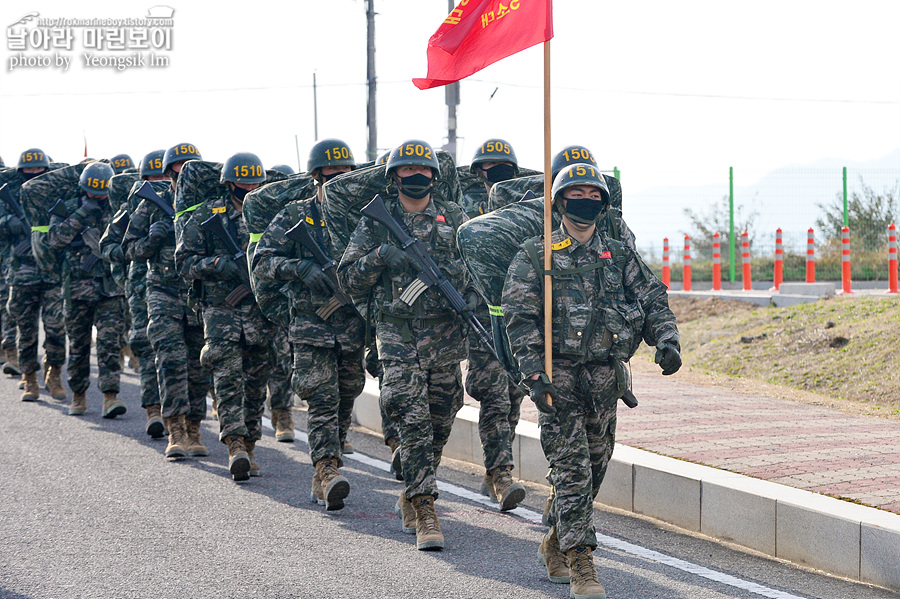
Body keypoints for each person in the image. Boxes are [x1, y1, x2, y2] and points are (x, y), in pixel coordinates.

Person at [502, 163, 681, 598]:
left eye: (593, 193)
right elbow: (519, 318)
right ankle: (582, 563)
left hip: (605, 380)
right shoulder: (536, 254)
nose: (586, 200)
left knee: (597, 465)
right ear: (560, 201)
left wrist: (667, 339)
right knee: (573, 470)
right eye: (576, 192)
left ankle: (556, 540)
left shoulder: (617, 253)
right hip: (557, 379)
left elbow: (651, 296)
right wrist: (533, 375)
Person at [338, 139, 470, 550]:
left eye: (424, 171)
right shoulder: (376, 221)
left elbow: (478, 267)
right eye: (407, 171)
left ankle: (414, 482)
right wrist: (381, 254)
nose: (417, 177)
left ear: (434, 175)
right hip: (396, 333)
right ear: (394, 176)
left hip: (445, 334)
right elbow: (348, 278)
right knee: (411, 418)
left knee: (442, 415)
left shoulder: (455, 217)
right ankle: (424, 506)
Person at [253, 138, 364, 510]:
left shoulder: (360, 216)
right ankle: (327, 468)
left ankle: (326, 470)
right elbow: (263, 262)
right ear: (316, 177)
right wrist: (300, 268)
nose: (338, 182)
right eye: (332, 177)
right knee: (321, 398)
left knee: (346, 397)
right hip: (310, 327)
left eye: (345, 176)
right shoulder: (293, 216)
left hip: (352, 327)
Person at [176, 152, 273, 482]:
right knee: (228, 377)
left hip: (260, 312)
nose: (250, 188)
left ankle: (250, 443)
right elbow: (185, 262)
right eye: (244, 183)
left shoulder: (268, 216)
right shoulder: (208, 215)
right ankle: (234, 445)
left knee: (256, 382)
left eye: (255, 182)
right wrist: (218, 265)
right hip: (220, 310)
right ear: (230, 183)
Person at [462, 139, 528, 511]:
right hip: (483, 316)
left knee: (514, 395)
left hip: (519, 317)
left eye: (504, 168)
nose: (496, 174)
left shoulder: (523, 212)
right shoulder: (466, 209)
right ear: (477, 174)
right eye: (489, 168)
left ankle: (492, 471)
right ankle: (501, 473)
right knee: (493, 394)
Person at [47, 161, 126, 418]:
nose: (97, 197)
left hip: (110, 288)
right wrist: (81, 214)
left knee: (109, 343)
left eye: (102, 193)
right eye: (92, 192)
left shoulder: (118, 209)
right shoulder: (68, 207)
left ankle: (110, 396)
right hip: (77, 289)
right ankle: (78, 395)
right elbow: (55, 240)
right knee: (79, 345)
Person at [0, 148, 66, 401]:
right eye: (29, 169)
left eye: (39, 169)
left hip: (51, 270)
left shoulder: (56, 193)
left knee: (56, 328)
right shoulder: (10, 194)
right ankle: (29, 378)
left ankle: (54, 373)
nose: (34, 173)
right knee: (25, 329)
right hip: (22, 271)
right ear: (21, 171)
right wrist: (13, 224)